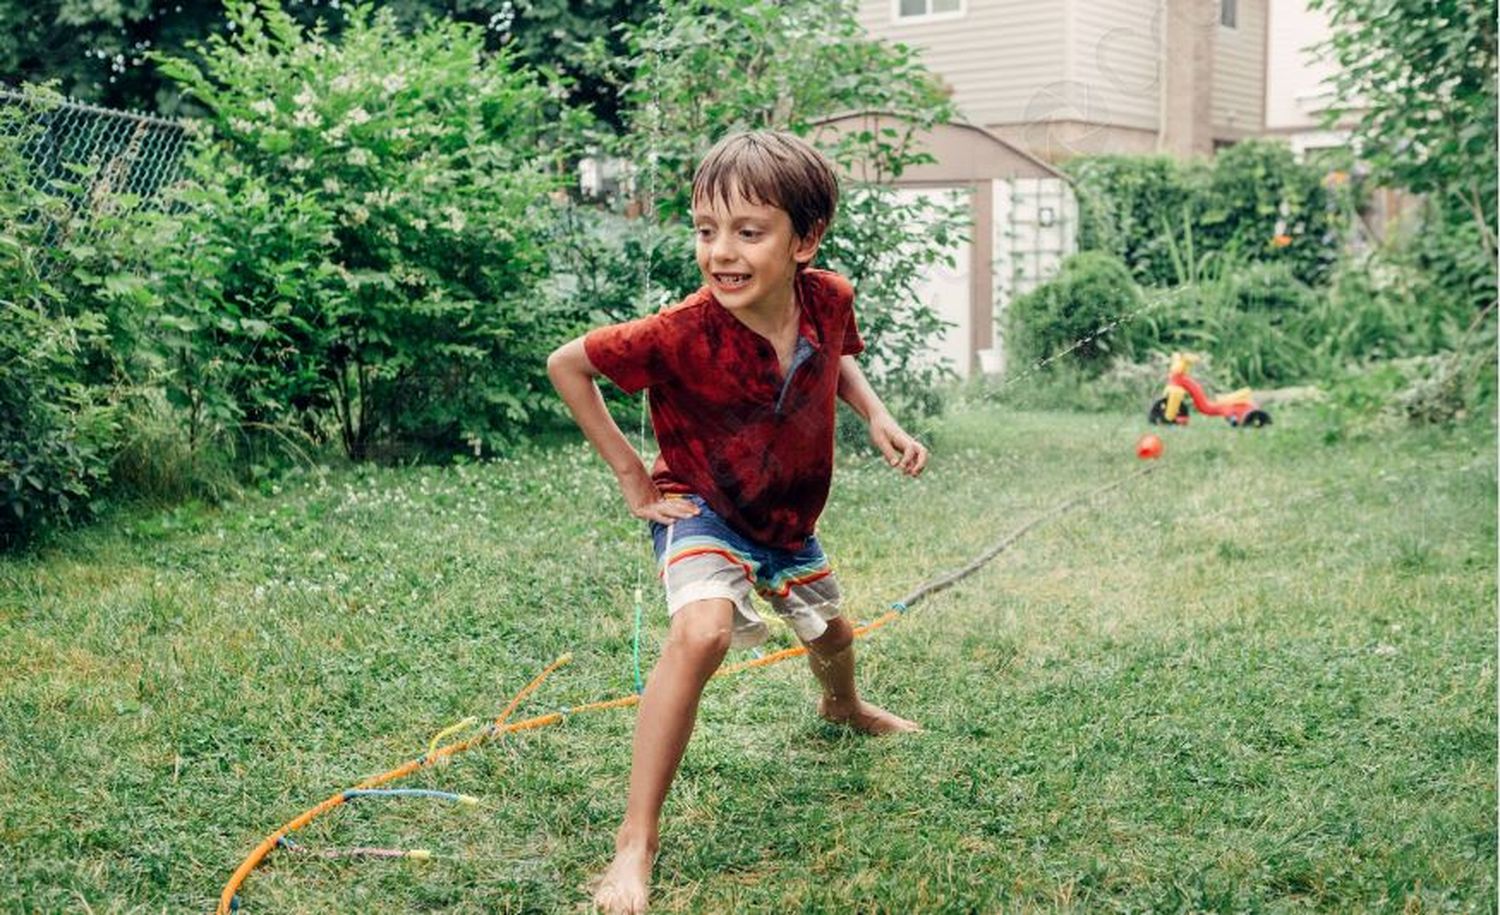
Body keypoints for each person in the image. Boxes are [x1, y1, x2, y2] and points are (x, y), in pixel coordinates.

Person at [546, 129, 927, 915]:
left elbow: (837, 355)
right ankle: (635, 841)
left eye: (748, 232)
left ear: (805, 240)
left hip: (786, 514)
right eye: (705, 229)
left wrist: (878, 416)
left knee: (833, 635)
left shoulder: (830, 296)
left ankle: (841, 706)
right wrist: (631, 473)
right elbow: (567, 364)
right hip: (702, 503)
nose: (721, 251)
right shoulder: (681, 330)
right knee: (703, 632)